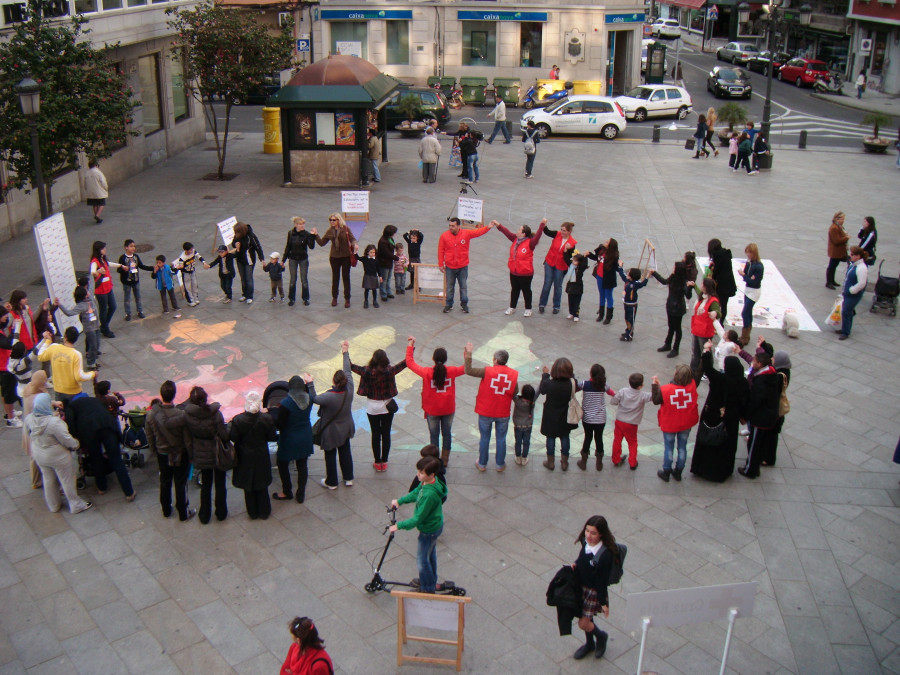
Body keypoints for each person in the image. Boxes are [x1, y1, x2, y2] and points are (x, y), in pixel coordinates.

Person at [25, 393, 92, 514]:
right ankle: (76, 504)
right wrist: (76, 444)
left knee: (48, 479)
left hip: (40, 454)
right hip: (58, 456)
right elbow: (66, 440)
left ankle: (54, 505)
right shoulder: (54, 423)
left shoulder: (29, 418)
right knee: (67, 480)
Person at [690, 345, 749, 482]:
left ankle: (702, 468)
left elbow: (708, 369)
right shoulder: (743, 382)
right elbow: (746, 401)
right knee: (727, 445)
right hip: (731, 419)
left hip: (713, 415)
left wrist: (706, 351)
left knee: (709, 441)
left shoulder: (720, 379)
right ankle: (723, 471)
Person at [390, 456, 447, 593]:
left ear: (431, 475)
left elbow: (418, 518)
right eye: (418, 471)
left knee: (422, 560)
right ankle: (430, 580)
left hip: (429, 530)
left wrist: (399, 526)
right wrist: (400, 501)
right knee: (430, 554)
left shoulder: (429, 495)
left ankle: (427, 588)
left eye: (421, 473)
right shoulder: (429, 483)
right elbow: (416, 493)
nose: (418, 475)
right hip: (434, 526)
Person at [65, 391, 136, 500]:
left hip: (89, 432)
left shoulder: (72, 406)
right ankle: (129, 492)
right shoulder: (95, 400)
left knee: (95, 458)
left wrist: (78, 439)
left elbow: (71, 426)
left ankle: (101, 487)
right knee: (117, 459)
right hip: (107, 427)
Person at [406, 336, 465, 466]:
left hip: (432, 410)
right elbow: (467, 367)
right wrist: (468, 354)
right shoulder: (452, 371)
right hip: (448, 409)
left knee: (434, 435)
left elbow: (410, 363)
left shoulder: (427, 372)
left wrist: (410, 346)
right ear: (445, 359)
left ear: (433, 359)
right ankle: (445, 459)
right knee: (447, 434)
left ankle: (434, 460)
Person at [464, 341, 519, 471]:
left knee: (484, 438)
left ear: (495, 360)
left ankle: (482, 464)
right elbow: (515, 391)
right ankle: (500, 465)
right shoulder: (513, 374)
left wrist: (469, 353)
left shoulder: (486, 371)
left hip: (486, 411)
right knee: (501, 439)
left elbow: (469, 370)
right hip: (503, 412)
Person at [350, 346, 406, 472]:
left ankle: (377, 461)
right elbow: (404, 363)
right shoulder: (390, 371)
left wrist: (345, 351)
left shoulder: (367, 371)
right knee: (386, 434)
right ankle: (384, 461)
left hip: (372, 407)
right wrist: (410, 346)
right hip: (387, 406)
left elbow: (351, 366)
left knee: (375, 434)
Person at [179, 386, 230, 523]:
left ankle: (204, 515)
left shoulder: (188, 416)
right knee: (220, 483)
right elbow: (224, 435)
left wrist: (192, 455)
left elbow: (188, 438)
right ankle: (221, 512)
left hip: (201, 453)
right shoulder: (216, 414)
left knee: (206, 485)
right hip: (217, 452)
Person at [145, 380, 195, 521]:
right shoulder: (180, 414)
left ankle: (166, 509)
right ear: (174, 395)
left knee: (165, 481)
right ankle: (183, 512)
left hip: (162, 452)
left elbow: (149, 436)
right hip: (179, 453)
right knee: (180, 482)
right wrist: (190, 453)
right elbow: (187, 438)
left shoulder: (151, 415)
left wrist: (154, 451)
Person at [569, 515, 616, 660]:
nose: (588, 536)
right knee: (586, 618)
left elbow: (601, 582)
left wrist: (604, 603)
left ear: (601, 534)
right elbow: (582, 557)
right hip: (581, 586)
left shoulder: (605, 555)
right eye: (587, 531)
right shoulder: (585, 542)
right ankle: (590, 644)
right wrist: (576, 564)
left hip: (593, 591)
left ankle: (601, 637)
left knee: (583, 623)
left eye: (593, 533)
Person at [311, 341, 355, 489]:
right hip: (346, 427)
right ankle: (348, 478)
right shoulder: (349, 388)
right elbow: (348, 369)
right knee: (345, 452)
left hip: (331, 431)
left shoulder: (329, 397)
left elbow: (315, 399)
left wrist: (310, 384)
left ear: (334, 382)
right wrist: (345, 352)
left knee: (330, 455)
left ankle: (332, 481)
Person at [230, 391, 277, 520]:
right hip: (261, 454)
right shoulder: (266, 419)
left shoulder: (238, 420)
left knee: (248, 486)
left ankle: (252, 512)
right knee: (262, 485)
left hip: (244, 455)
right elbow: (272, 436)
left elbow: (234, 437)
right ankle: (264, 511)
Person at [652, 364, 700, 482]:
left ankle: (666, 471)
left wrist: (655, 385)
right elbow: (699, 372)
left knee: (669, 448)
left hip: (670, 423)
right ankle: (678, 471)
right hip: (685, 423)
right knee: (682, 447)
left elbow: (655, 400)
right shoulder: (693, 385)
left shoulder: (666, 389)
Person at [738, 352, 781, 479]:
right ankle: (754, 466)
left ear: (760, 364)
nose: (753, 363)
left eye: (755, 361)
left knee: (754, 445)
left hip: (761, 418)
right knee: (758, 443)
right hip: (768, 416)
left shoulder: (761, 382)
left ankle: (750, 469)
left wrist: (745, 416)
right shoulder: (771, 374)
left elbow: (755, 402)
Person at [273, 375, 315, 503]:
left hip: (289, 438)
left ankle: (287, 491)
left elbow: (280, 424)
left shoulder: (286, 403)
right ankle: (300, 493)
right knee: (302, 465)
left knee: (282, 463)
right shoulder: (310, 399)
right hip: (306, 435)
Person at [493, 218, 547, 317]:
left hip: (525, 272)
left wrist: (542, 224)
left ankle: (528, 308)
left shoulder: (530, 243)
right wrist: (498, 225)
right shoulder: (515, 239)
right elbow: (507, 232)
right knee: (514, 290)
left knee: (526, 291)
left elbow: (538, 236)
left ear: (524, 234)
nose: (517, 231)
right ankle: (512, 307)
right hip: (514, 271)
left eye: (519, 230)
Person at [437, 217, 491, 314]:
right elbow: (441, 250)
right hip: (450, 266)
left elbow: (478, 232)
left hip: (462, 266)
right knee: (449, 287)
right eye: (450, 225)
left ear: (458, 226)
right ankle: (449, 304)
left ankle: (464, 304)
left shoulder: (466, 233)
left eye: (453, 226)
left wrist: (488, 227)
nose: (450, 227)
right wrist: (441, 263)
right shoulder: (444, 236)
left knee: (463, 286)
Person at [36, 328, 97, 404]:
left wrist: (48, 341)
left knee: (61, 412)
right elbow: (79, 376)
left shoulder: (54, 347)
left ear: (65, 336)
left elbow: (40, 356)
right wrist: (92, 374)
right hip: (73, 391)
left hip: (58, 389)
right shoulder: (76, 354)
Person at [539, 358, 578, 471]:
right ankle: (564, 462)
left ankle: (550, 462)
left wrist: (545, 375)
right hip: (565, 415)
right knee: (565, 436)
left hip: (550, 415)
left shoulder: (549, 384)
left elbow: (542, 390)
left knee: (550, 437)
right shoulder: (571, 383)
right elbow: (574, 380)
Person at [577, 364, 615, 471]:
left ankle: (583, 462)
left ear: (591, 374)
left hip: (587, 418)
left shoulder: (584, 384)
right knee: (599, 438)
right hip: (600, 419)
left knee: (587, 438)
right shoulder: (604, 385)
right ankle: (599, 463)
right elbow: (612, 393)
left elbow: (575, 389)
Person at [315, 213, 357, 308]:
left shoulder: (345, 229)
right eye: (330, 220)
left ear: (338, 220)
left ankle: (347, 298)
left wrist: (355, 244)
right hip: (334, 257)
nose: (332, 222)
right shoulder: (330, 231)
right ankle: (335, 297)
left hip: (346, 256)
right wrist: (316, 235)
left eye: (334, 220)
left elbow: (353, 239)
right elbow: (322, 243)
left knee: (346, 277)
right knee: (335, 277)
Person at [652, 261, 692, 358]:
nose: (672, 268)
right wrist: (654, 273)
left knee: (677, 328)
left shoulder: (684, 282)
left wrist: (690, 287)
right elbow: (664, 281)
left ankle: (676, 348)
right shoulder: (673, 277)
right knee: (671, 326)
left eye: (674, 267)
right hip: (670, 305)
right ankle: (667, 344)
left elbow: (688, 295)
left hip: (678, 308)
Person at [55, 287, 100, 369]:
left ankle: (93, 361)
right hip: (90, 328)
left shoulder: (90, 300)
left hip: (96, 325)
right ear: (84, 295)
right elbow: (69, 313)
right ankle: (90, 363)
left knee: (96, 345)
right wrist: (60, 305)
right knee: (93, 346)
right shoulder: (81, 306)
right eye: (86, 291)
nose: (88, 292)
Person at [538, 221, 577, 315]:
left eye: (564, 231)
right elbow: (547, 232)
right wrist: (543, 224)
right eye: (561, 230)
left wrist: (567, 250)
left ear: (569, 232)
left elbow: (570, 256)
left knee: (558, 286)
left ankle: (556, 306)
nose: (562, 232)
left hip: (561, 266)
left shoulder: (572, 243)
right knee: (547, 284)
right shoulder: (557, 234)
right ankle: (542, 304)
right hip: (550, 262)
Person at [688, 277, 721, 381]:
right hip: (697, 328)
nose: (701, 286)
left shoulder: (713, 301)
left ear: (706, 287)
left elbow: (718, 312)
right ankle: (693, 371)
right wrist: (694, 286)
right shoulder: (703, 296)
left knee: (706, 353)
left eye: (702, 285)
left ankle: (707, 371)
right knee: (696, 352)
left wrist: (715, 313)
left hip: (705, 331)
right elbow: (699, 291)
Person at [20, 369, 48, 488]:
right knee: (36, 455)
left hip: (27, 426)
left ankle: (35, 481)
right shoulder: (39, 396)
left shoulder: (28, 389)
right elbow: (45, 413)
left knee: (33, 455)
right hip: (35, 428)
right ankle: (37, 481)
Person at [282, 217, 317, 307]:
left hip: (303, 259)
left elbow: (311, 246)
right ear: (296, 225)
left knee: (304, 279)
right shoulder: (291, 233)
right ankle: (292, 298)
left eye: (303, 224)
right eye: (300, 224)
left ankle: (305, 298)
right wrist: (283, 260)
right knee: (293, 279)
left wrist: (313, 236)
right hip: (293, 258)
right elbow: (288, 247)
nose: (302, 226)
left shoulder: (306, 234)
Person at [90, 240, 122, 338]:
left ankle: (104, 326)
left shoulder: (103, 259)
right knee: (103, 310)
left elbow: (109, 264)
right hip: (101, 290)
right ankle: (105, 329)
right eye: (103, 248)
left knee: (113, 306)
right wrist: (98, 271)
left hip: (108, 287)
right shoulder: (95, 261)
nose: (105, 249)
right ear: (98, 250)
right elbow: (92, 272)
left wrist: (121, 265)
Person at [118, 239, 153, 320]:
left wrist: (152, 268)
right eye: (131, 246)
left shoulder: (136, 257)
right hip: (126, 281)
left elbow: (141, 266)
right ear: (126, 247)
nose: (133, 248)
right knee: (127, 297)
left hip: (135, 280)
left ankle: (140, 311)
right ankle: (128, 313)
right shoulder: (122, 258)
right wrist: (124, 269)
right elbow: (119, 269)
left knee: (138, 296)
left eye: (134, 246)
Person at [838, 246, 868, 340]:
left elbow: (862, 283)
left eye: (852, 254)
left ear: (858, 256)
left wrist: (852, 290)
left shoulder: (861, 268)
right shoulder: (854, 264)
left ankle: (845, 332)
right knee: (848, 311)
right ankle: (845, 328)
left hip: (853, 294)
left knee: (846, 311)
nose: (850, 256)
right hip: (848, 293)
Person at [231, 221, 265, 304]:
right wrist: (235, 244)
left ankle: (250, 296)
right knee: (243, 278)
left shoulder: (251, 236)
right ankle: (244, 294)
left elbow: (258, 247)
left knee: (248, 278)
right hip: (240, 259)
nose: (236, 234)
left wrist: (262, 259)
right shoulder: (237, 236)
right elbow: (233, 243)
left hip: (249, 260)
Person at [738, 243, 764, 346]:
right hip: (748, 289)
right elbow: (748, 277)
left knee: (745, 312)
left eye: (749, 252)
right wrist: (747, 276)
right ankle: (746, 335)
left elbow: (754, 281)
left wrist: (745, 276)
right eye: (747, 252)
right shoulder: (749, 263)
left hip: (754, 291)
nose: (748, 254)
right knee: (748, 312)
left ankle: (745, 335)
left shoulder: (759, 266)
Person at [616, 267, 649, 342]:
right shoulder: (627, 281)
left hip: (632, 305)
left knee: (631, 320)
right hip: (626, 303)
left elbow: (643, 283)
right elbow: (622, 274)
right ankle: (628, 330)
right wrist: (620, 267)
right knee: (626, 318)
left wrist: (648, 276)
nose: (627, 274)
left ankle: (629, 335)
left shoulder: (635, 284)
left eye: (629, 273)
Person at [707, 239, 736, 321]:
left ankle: (718, 322)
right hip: (729, 283)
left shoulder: (718, 256)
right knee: (724, 305)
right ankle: (721, 322)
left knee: (718, 303)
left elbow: (716, 271)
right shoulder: (725, 253)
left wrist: (712, 269)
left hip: (722, 285)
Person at [591, 238, 619, 325]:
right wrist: (590, 254)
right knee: (601, 295)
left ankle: (609, 316)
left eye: (607, 242)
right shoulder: (602, 250)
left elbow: (615, 267)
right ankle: (601, 313)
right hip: (600, 276)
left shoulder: (613, 255)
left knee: (608, 296)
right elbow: (596, 257)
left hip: (608, 279)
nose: (605, 242)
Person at [173, 242, 206, 307]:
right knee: (187, 287)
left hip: (192, 271)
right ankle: (190, 300)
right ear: (186, 250)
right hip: (186, 273)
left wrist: (204, 262)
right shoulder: (182, 257)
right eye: (190, 250)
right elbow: (181, 265)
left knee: (194, 285)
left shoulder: (193, 251)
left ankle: (195, 298)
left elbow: (199, 256)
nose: (192, 250)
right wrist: (177, 267)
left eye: (192, 249)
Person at [512, 384, 536, 465]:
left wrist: (514, 381)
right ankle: (524, 458)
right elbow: (539, 390)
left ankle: (518, 457)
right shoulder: (532, 401)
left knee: (518, 442)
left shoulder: (517, 400)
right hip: (528, 426)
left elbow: (512, 393)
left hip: (518, 425)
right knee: (526, 442)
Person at [826, 211, 850, 290]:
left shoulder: (839, 226)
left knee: (834, 266)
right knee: (832, 267)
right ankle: (829, 282)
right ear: (837, 219)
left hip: (838, 251)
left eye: (843, 219)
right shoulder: (834, 228)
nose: (843, 221)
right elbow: (836, 241)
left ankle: (832, 281)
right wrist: (846, 238)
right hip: (835, 251)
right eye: (842, 219)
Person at [376, 225, 399, 302]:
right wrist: (396, 257)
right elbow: (387, 253)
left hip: (389, 262)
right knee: (384, 279)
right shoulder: (383, 242)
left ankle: (388, 291)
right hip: (384, 262)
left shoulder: (389, 239)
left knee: (388, 278)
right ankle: (383, 293)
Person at [564, 251, 589, 321]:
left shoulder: (580, 268)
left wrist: (585, 257)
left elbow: (584, 264)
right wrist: (565, 252)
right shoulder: (571, 266)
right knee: (570, 300)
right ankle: (571, 312)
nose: (573, 262)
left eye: (575, 261)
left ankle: (576, 314)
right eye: (573, 260)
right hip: (571, 286)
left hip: (578, 287)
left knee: (577, 302)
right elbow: (566, 260)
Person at [356, 244, 381, 308]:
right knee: (366, 289)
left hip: (374, 276)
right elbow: (358, 258)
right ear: (367, 252)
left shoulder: (376, 260)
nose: (373, 254)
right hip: (367, 275)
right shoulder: (365, 258)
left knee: (374, 289)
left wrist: (380, 276)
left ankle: (374, 300)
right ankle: (366, 301)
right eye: (371, 252)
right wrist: (355, 251)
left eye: (374, 252)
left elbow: (378, 269)